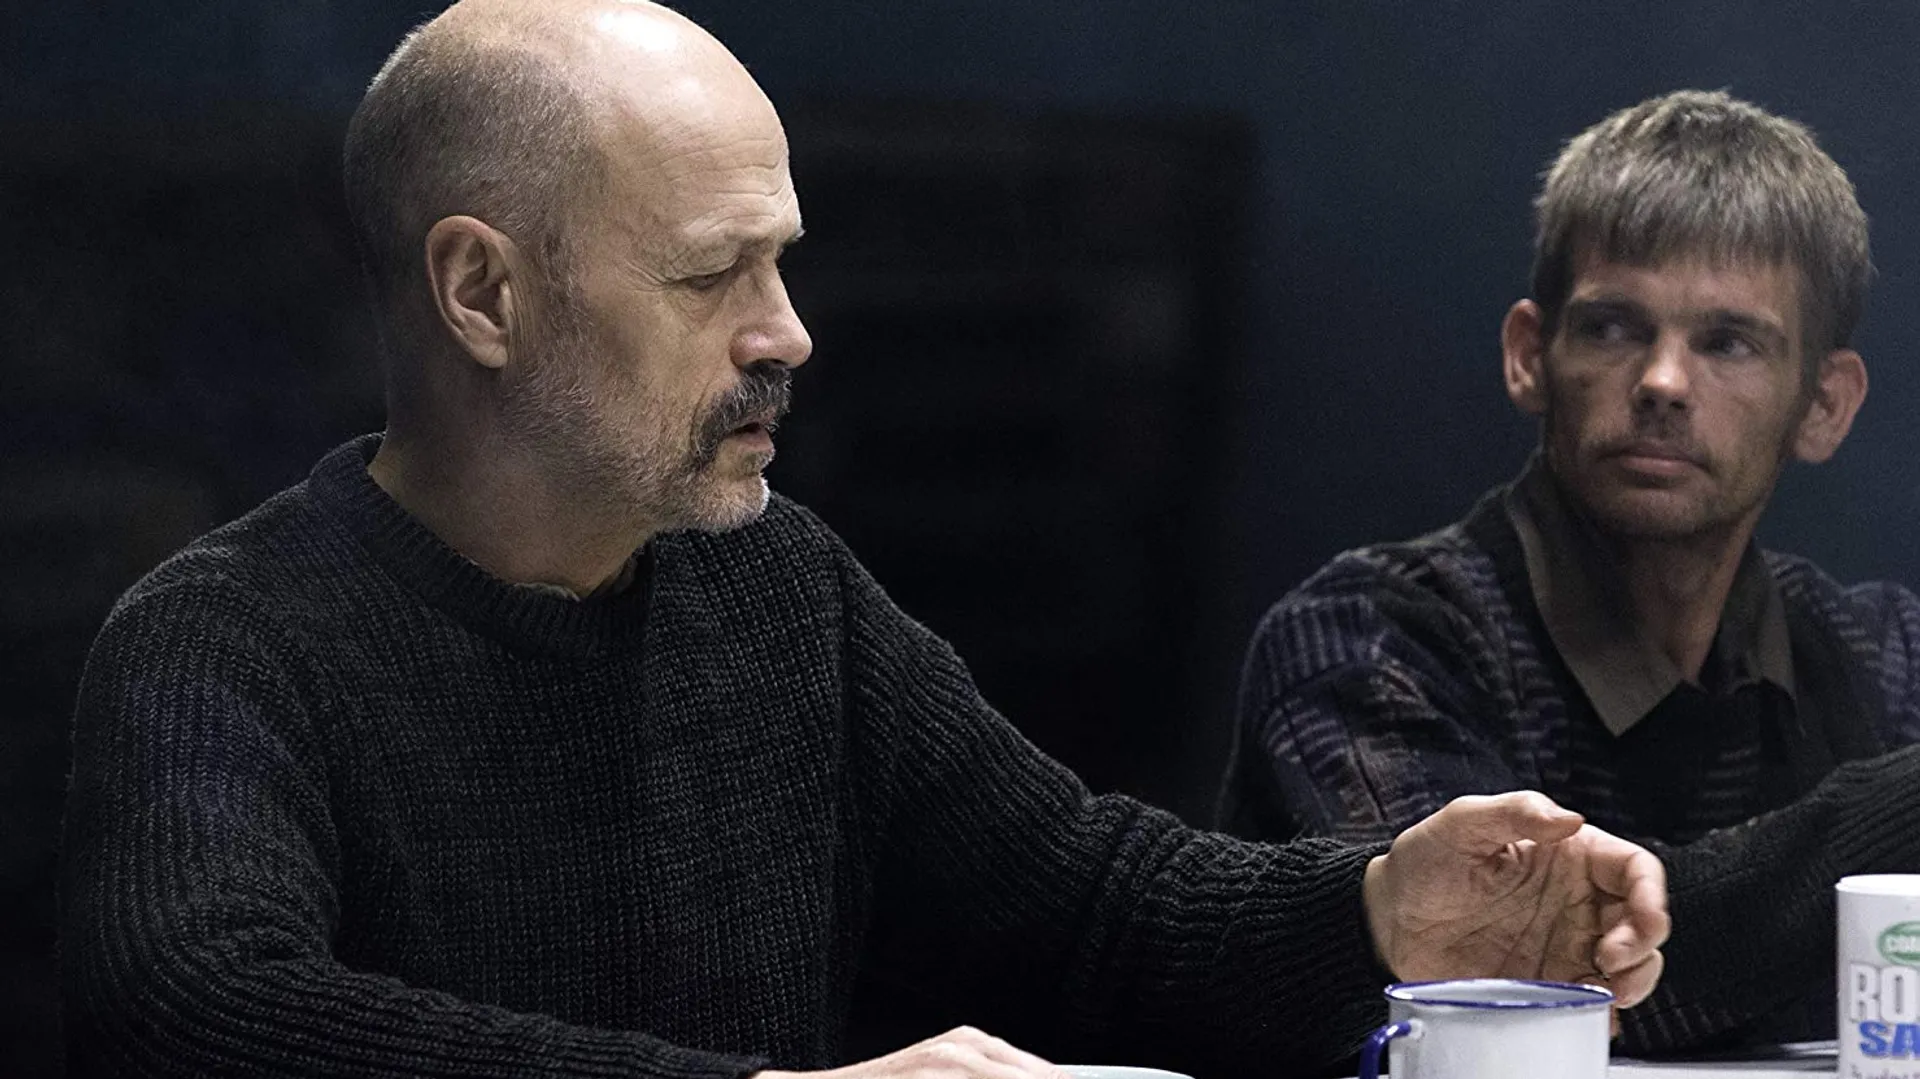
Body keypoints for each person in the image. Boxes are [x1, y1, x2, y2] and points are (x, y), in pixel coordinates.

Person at [59, 3, 1668, 1076]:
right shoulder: (226, 639)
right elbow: (205, 1012)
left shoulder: (775, 589)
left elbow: (1086, 906)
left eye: (783, 262)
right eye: (713, 274)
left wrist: (1381, 912)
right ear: (484, 292)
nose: (788, 332)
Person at [1220, 88, 1920, 1054]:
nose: (1664, 382)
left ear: (1825, 404)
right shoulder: (1363, 639)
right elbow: (1523, 968)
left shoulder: (1886, 656)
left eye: (1728, 342)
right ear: (1529, 355)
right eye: (1613, 328)